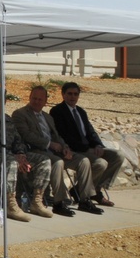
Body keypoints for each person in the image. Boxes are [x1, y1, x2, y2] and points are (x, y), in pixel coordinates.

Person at [12, 86, 99, 216]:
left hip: (55, 150)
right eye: (34, 98)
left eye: (40, 99)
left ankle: (84, 200)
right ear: (29, 98)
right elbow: (27, 135)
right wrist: (49, 144)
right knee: (57, 162)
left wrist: (65, 148)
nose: (36, 101)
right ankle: (59, 203)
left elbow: (57, 135)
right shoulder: (20, 114)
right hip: (36, 151)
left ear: (45, 101)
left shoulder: (47, 117)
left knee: (84, 161)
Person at [0, 87, 52, 222]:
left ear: (5, 101)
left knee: (44, 160)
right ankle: (10, 204)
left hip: (10, 155)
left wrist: (21, 154)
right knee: (11, 162)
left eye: (0, 100)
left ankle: (37, 201)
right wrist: (13, 156)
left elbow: (18, 140)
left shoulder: (8, 120)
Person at [49, 81, 124, 208]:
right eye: (69, 94)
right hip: (73, 151)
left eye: (76, 94)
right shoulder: (57, 111)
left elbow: (90, 131)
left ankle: (90, 189)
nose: (73, 97)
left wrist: (98, 145)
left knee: (118, 155)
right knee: (100, 163)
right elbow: (64, 136)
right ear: (63, 95)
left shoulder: (81, 111)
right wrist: (87, 149)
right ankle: (92, 192)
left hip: (89, 149)